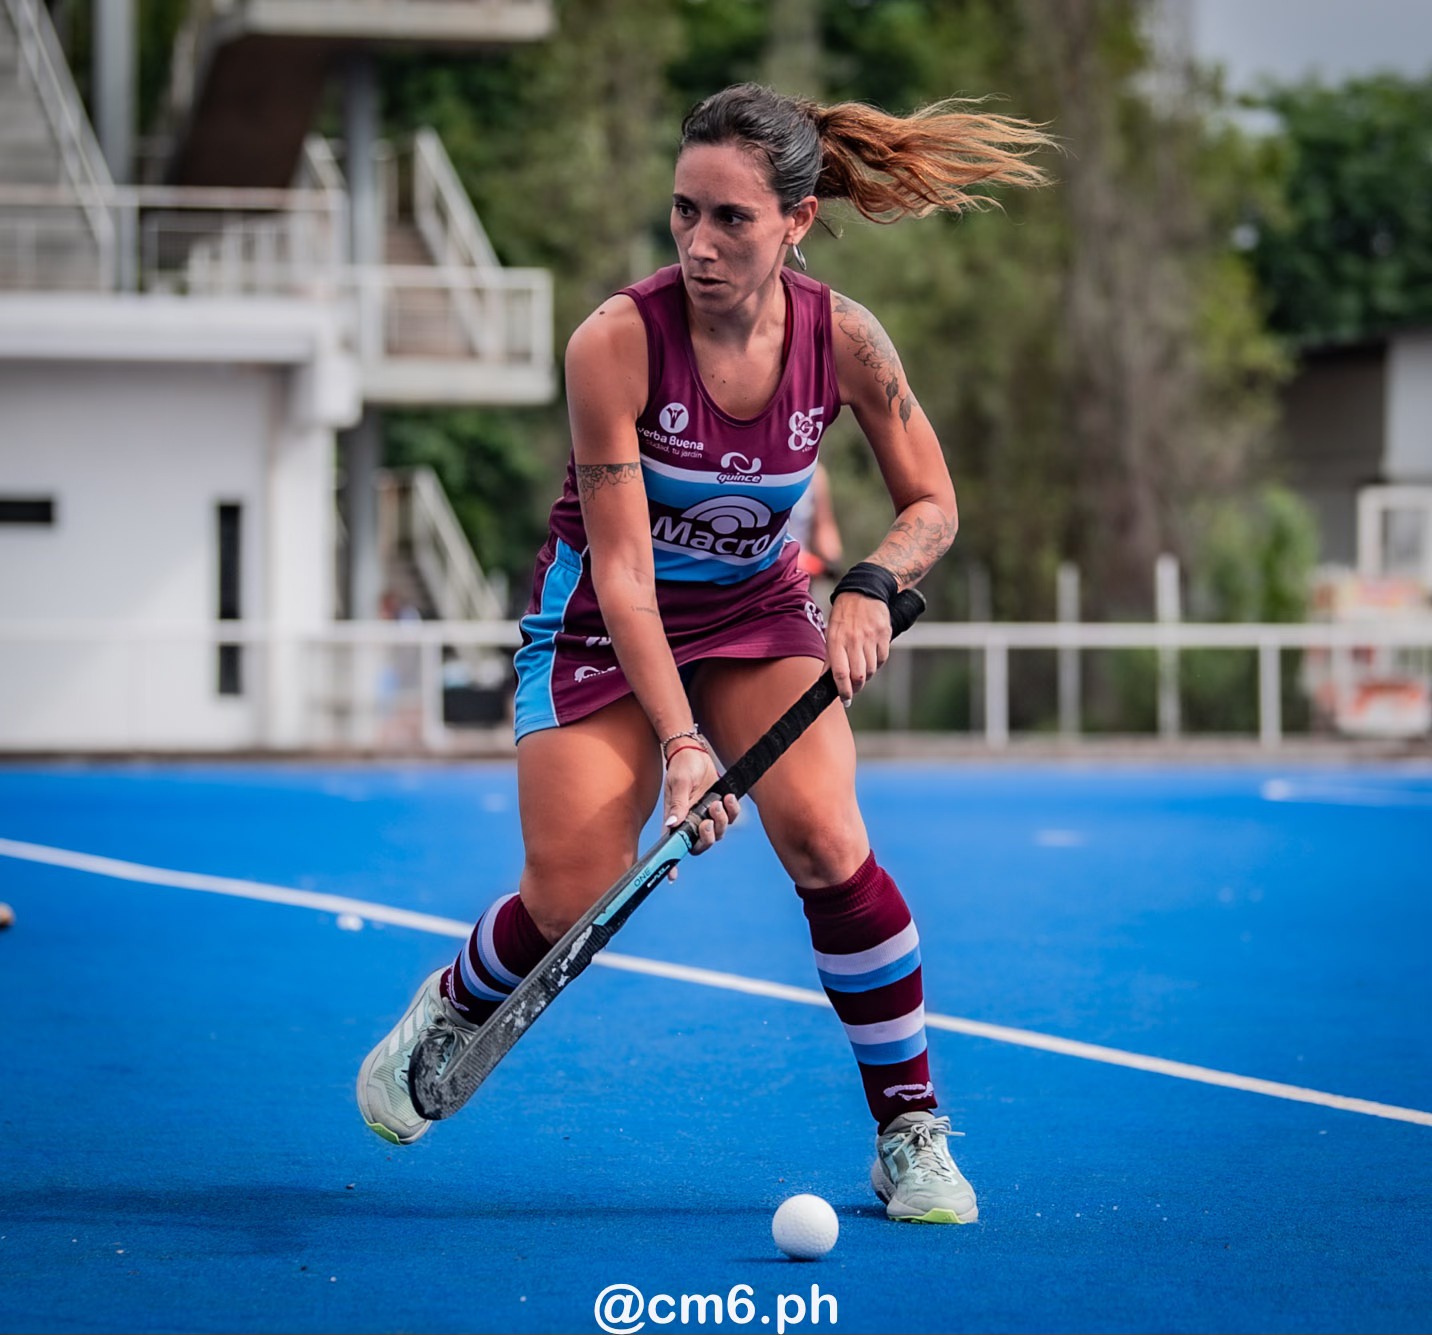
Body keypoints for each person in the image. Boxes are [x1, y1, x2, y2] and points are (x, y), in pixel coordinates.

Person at [359, 83, 1050, 1224]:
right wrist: (682, 743)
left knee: (830, 842)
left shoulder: (846, 339)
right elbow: (625, 575)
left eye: (731, 219)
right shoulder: (615, 343)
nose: (699, 243)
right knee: (572, 889)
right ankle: (457, 999)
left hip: (752, 612)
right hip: (600, 624)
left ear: (798, 222)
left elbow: (932, 500)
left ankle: (908, 1131)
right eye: (684, 212)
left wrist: (875, 582)